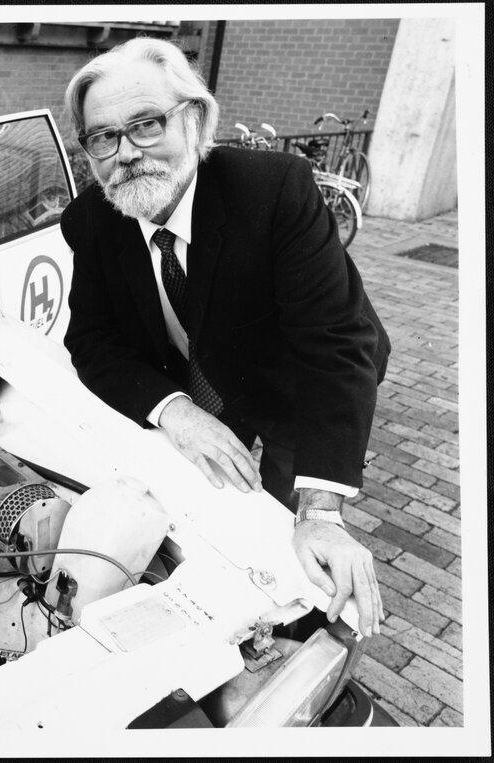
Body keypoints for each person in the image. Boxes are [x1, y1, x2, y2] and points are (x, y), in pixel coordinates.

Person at [61, 38, 391, 638]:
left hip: (296, 380)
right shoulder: (90, 219)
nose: (126, 154)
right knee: (216, 504)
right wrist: (176, 411)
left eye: (145, 125)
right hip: (202, 387)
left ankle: (295, 629)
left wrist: (322, 512)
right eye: (103, 137)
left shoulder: (275, 190)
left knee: (293, 517)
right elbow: (91, 340)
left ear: (194, 119)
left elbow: (334, 346)